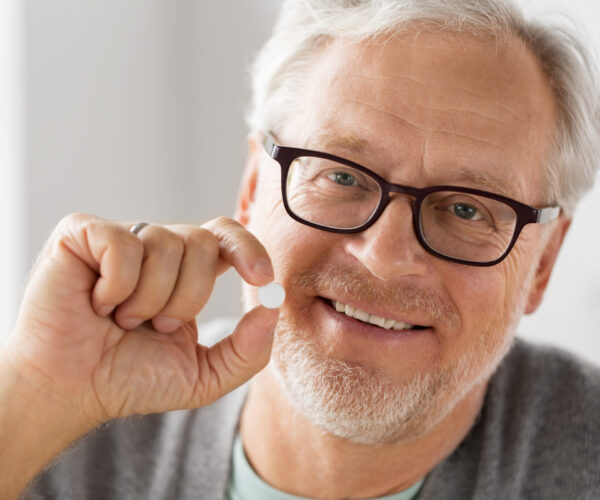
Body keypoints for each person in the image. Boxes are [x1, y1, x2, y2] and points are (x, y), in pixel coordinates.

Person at [2, 0, 600, 498]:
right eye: (342, 176)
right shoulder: (73, 435)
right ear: (252, 188)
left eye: (467, 209)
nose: (385, 257)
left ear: (542, 263)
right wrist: (34, 396)